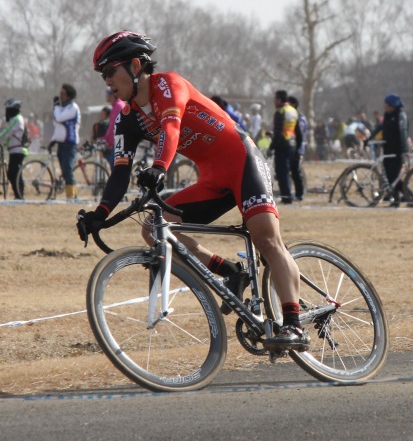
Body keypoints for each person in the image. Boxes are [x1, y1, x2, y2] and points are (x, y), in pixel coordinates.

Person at [79, 30, 309, 350]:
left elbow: (171, 127)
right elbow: (120, 171)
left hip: (242, 161)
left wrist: (159, 167)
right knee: (154, 228)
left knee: (266, 238)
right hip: (212, 179)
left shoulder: (167, 84)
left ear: (134, 66)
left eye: (109, 72)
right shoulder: (127, 119)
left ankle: (294, 326)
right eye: (102, 75)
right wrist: (99, 214)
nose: (106, 81)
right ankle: (229, 270)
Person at [366, 93, 409, 207]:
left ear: (393, 105)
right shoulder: (388, 115)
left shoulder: (400, 116)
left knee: (394, 175)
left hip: (398, 150)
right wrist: (370, 138)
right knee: (389, 175)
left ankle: (401, 197)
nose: (385, 107)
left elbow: (403, 133)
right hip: (388, 148)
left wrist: (404, 150)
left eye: (387, 105)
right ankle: (402, 196)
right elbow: (381, 127)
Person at [52, 83, 81, 200]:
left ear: (69, 94)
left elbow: (58, 117)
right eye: (60, 93)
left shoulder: (72, 107)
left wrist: (56, 106)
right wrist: (53, 140)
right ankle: (71, 195)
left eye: (63, 93)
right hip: (61, 143)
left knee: (68, 169)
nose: (60, 95)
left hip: (70, 143)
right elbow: (57, 125)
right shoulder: (62, 107)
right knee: (64, 171)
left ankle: (72, 197)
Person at [270, 89, 298, 204]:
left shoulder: (280, 111)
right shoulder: (293, 110)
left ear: (280, 99)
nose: (274, 101)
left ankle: (286, 197)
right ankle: (291, 194)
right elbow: (298, 130)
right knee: (290, 171)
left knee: (282, 172)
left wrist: (271, 147)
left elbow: (278, 133)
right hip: (292, 143)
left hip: (282, 145)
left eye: (275, 99)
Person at [0, 99, 28, 199]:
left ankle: (20, 195)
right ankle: (18, 195)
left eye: (9, 109)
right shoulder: (13, 119)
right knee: (13, 174)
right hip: (13, 150)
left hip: (18, 150)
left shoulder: (17, 119)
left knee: (14, 173)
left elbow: (7, 133)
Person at [287, 95, 307, 201]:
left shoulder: (300, 118)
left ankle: (300, 194)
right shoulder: (291, 116)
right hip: (292, 147)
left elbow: (299, 133)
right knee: (291, 171)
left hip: (298, 149)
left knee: (296, 171)